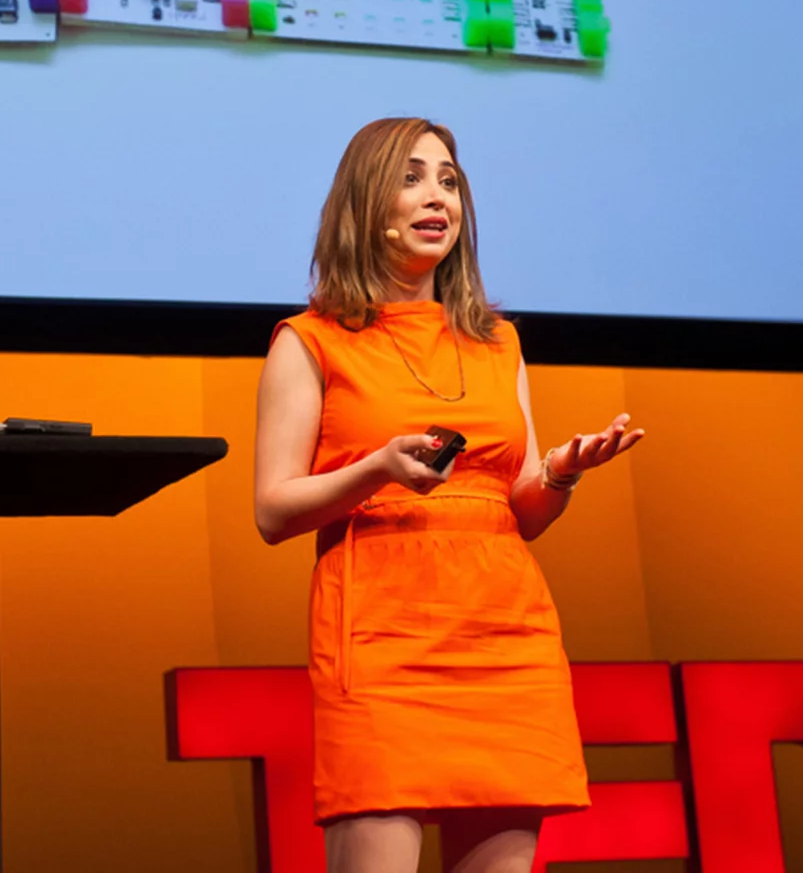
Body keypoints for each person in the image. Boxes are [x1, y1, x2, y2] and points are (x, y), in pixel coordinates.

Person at [254, 117, 645, 873]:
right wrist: (378, 469)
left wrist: (560, 471)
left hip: (504, 638)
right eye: (410, 178)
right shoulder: (312, 341)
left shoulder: (499, 344)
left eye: (448, 180)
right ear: (365, 206)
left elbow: (522, 510)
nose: (436, 196)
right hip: (381, 640)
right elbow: (272, 509)